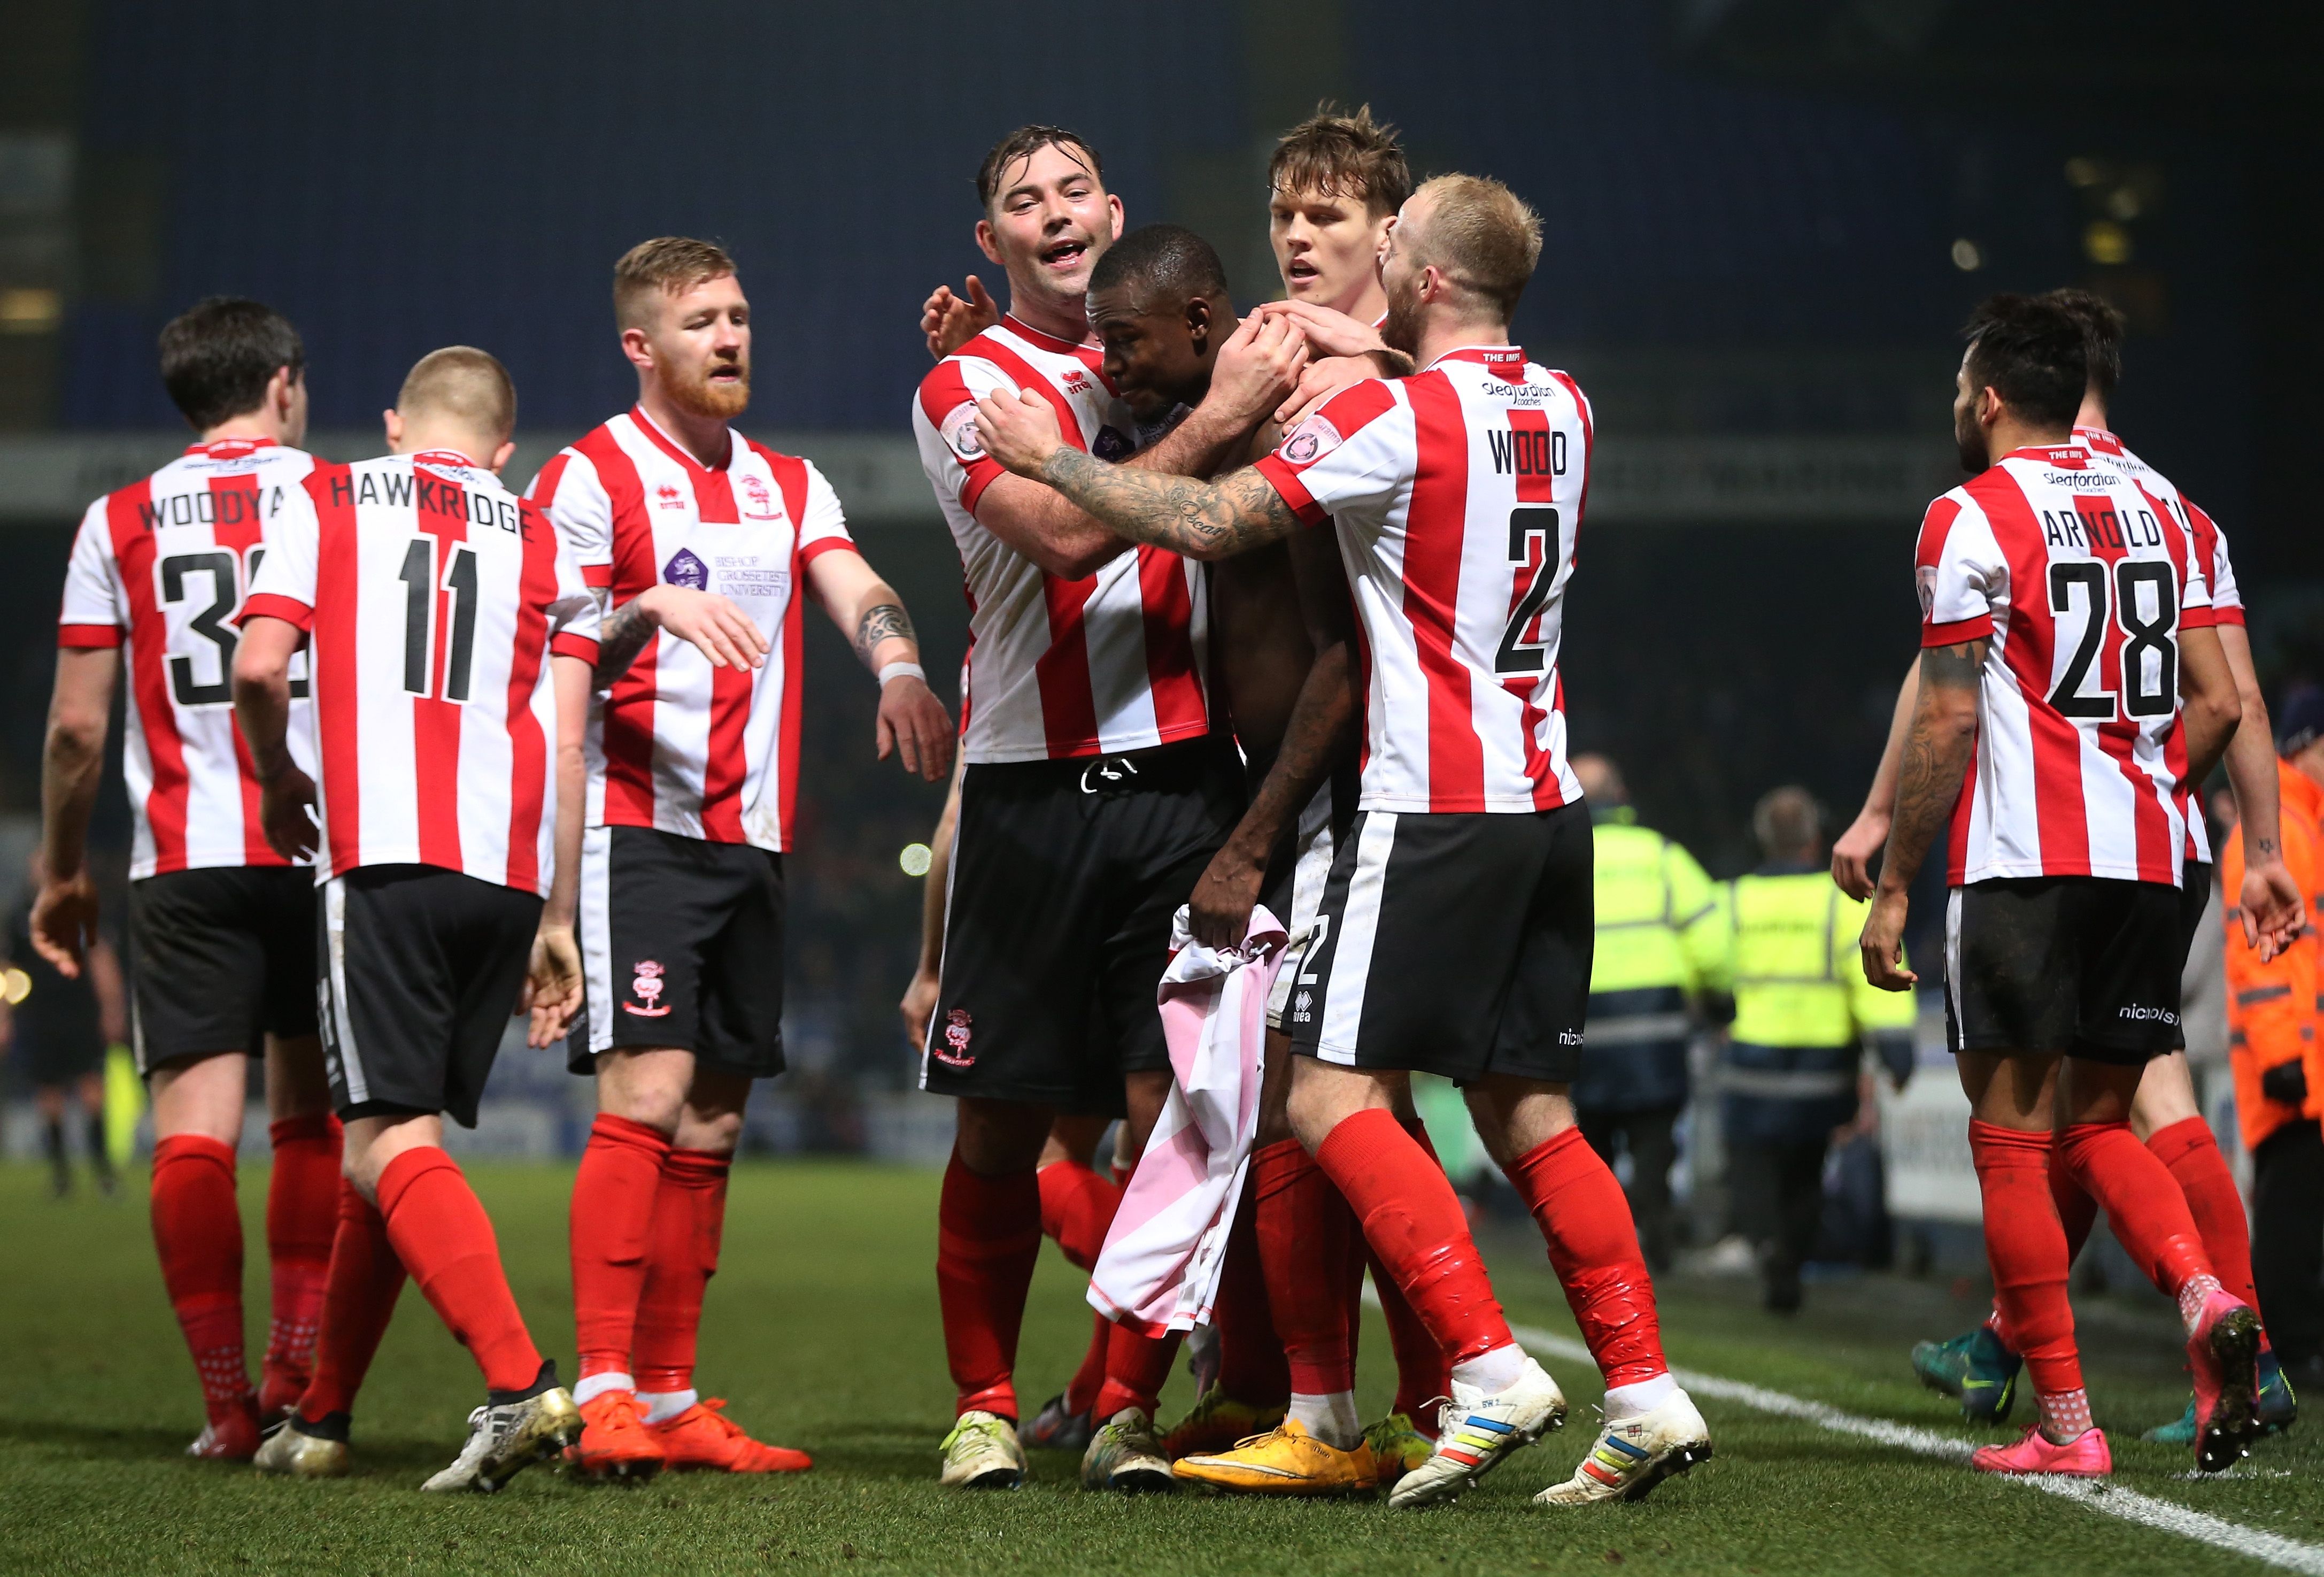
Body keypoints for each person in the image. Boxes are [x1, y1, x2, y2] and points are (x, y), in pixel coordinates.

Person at [973, 171, 1711, 1511]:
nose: (1357, 250)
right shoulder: (1567, 406)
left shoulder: (1394, 418)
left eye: (1387, 237)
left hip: (1430, 803)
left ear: (1423, 277)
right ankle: (1649, 1392)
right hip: (1549, 801)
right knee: (1529, 1111)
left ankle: (1484, 1370)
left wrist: (1045, 460)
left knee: (1321, 1096)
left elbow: (1204, 519)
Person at [908, 125, 1299, 1494]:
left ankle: (1127, 1402)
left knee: (1174, 1108)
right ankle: (983, 1404)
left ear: (1114, 210)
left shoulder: (1163, 343)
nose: (1055, 213)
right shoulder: (964, 381)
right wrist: (1218, 415)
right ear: (993, 240)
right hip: (1028, 791)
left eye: (1075, 190)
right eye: (1024, 199)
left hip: (1186, 783)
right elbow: (1067, 539)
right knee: (1000, 1121)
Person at [531, 237, 954, 1481]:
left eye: (740, 317)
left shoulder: (785, 480)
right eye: (703, 321)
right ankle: (603, 1387)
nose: (731, 338)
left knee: (714, 1119)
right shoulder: (591, 475)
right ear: (641, 347)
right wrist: (643, 607)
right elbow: (555, 653)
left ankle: (669, 1396)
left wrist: (898, 666)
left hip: (753, 841)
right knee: (647, 1098)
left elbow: (856, 582)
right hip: (635, 827)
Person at [1850, 289, 2303, 1439]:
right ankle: (2209, 1299)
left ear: (1992, 395)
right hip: (2158, 859)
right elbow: (2224, 698)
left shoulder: (1971, 516)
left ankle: (2061, 1418)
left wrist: (1897, 879)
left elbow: (1945, 716)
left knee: (2009, 1141)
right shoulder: (2170, 509)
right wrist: (2161, 782)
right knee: (2106, 1122)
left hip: (2026, 863)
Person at [237, 347, 597, 1490]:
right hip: (499, 873)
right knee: (379, 1154)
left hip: (383, 852)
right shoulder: (543, 529)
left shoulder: (328, 491)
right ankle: (324, 1414)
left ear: (396, 424)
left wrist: (274, 775)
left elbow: (258, 667)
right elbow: (568, 732)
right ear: (503, 448)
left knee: (390, 1139)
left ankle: (518, 1383)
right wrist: (558, 914)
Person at [36, 296, 342, 1458]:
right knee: (309, 1123)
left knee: (194, 1138)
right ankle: (293, 1371)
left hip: (183, 856)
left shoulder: (116, 518)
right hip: (319, 845)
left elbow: (75, 731)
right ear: (283, 382)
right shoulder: (333, 497)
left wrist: (63, 870)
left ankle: (223, 1400)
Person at [1716, 787, 1915, 1313]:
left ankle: (1766, 1245)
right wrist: (1897, 1051)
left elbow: (1708, 966)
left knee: (1753, 1166)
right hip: (1822, 1069)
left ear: (1763, 840)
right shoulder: (1847, 903)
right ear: (1816, 839)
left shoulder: (1733, 898)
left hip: (1752, 1065)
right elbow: (1878, 972)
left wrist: (1715, 1012)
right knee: (1806, 1172)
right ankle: (1792, 1257)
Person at [1565, 754, 1723, 1275]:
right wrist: (1716, 997)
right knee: (1654, 1143)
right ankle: (1656, 1241)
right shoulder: (1660, 854)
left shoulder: (1559, 856)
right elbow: (1712, 939)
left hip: (1582, 1025)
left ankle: (1596, 1249)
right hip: (1653, 1026)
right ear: (1622, 793)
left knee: (1592, 1147)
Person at [2225, 689, 2324, 1395]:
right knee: (2290, 1213)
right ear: (2303, 747)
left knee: (2296, 1210)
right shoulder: (2280, 828)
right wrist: (2280, 1056)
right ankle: (2288, 1346)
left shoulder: (2297, 824)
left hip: (2299, 1058)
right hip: (2292, 1065)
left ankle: (2292, 1342)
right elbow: (2259, 955)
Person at [2, 852, 126, 1197]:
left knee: (92, 1091)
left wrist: (112, 1008)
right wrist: (5, 1017)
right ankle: (61, 1176)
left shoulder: (82, 911)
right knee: (49, 1093)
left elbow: (102, 962)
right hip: (37, 1015)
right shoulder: (19, 915)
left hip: (81, 1013)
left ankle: (104, 1173)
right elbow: (8, 970)